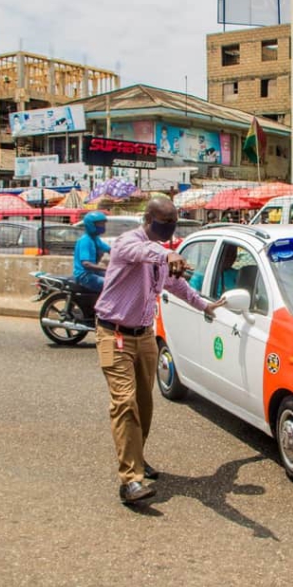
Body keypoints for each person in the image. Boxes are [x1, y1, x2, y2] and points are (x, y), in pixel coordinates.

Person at [95, 197, 224, 504]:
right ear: (149, 219)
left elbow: (175, 285)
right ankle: (130, 480)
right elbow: (146, 252)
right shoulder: (129, 243)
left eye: (173, 223)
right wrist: (168, 254)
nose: (168, 229)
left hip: (144, 336)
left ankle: (137, 458)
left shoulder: (162, 255)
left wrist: (204, 305)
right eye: (164, 223)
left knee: (143, 405)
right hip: (115, 336)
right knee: (125, 404)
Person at [73, 211, 110, 292]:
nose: (103, 226)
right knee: (110, 284)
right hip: (84, 275)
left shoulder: (96, 239)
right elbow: (86, 263)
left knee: (115, 278)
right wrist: (106, 268)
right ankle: (103, 305)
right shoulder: (85, 240)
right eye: (100, 224)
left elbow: (110, 250)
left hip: (93, 272)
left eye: (103, 224)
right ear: (91, 225)